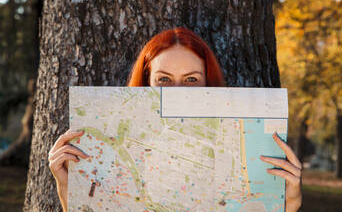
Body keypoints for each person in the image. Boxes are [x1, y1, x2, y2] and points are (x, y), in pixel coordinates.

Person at [48, 27, 302, 212]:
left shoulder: (230, 154)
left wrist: (289, 203)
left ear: (208, 83)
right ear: (146, 82)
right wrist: (67, 188)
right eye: (164, 80)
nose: (178, 91)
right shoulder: (116, 157)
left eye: (191, 79)